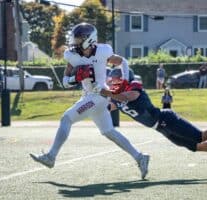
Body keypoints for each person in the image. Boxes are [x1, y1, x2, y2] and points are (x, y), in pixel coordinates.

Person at [30, 22, 149, 179]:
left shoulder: (103, 51)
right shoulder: (72, 55)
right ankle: (140, 157)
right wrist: (76, 77)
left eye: (79, 39)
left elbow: (123, 62)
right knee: (109, 131)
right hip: (89, 96)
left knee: (66, 118)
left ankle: (51, 156)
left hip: (99, 96)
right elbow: (65, 82)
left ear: (89, 39)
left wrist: (125, 82)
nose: (75, 43)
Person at [96, 67, 207, 164]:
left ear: (124, 79)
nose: (111, 83)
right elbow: (105, 108)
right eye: (110, 81)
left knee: (201, 136)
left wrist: (105, 93)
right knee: (195, 146)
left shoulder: (134, 87)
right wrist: (92, 99)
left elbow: (127, 97)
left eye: (114, 80)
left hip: (166, 120)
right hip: (160, 128)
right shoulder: (116, 96)